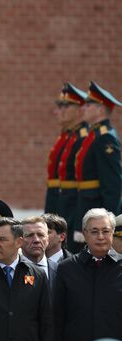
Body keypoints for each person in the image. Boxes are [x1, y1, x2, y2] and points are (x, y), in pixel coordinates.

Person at [54, 208, 122, 341]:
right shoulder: (67, 268)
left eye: (106, 231)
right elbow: (58, 319)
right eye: (94, 231)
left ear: (112, 232)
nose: (100, 237)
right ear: (84, 234)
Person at [74, 81, 122, 247]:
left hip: (95, 206)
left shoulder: (105, 137)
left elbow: (112, 185)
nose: (83, 108)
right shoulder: (94, 134)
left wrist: (110, 222)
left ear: (101, 109)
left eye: (88, 104)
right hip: (86, 204)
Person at [56, 83, 89, 253]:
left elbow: (83, 187)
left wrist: (79, 222)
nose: (58, 111)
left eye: (65, 106)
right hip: (65, 204)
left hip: (75, 208)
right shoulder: (70, 136)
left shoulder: (83, 138)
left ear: (79, 110)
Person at [45, 84, 75, 214]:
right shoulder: (65, 136)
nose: (57, 112)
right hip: (58, 198)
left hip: (70, 203)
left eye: (64, 106)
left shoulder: (80, 137)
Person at [21, 216, 58, 292]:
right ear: (19, 241)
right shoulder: (12, 271)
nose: (36, 240)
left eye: (41, 235)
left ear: (47, 239)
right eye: (30, 235)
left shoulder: (60, 270)